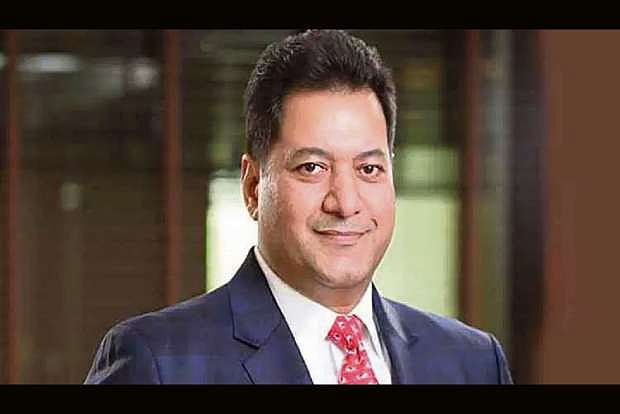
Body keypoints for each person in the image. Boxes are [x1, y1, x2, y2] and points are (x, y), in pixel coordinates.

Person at [84, 29, 513, 384]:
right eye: (312, 167)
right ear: (253, 187)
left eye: (368, 169)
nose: (345, 203)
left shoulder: (473, 363)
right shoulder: (159, 363)